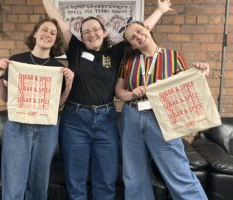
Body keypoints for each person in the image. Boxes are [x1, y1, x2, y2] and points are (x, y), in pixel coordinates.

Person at [42, 1, 172, 199]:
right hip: (75, 121)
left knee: (106, 179)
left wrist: (160, 11)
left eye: (96, 29)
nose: (91, 34)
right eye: (86, 32)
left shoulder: (116, 52)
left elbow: (142, 32)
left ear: (104, 31)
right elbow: (60, 21)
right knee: (76, 180)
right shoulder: (75, 49)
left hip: (106, 120)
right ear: (82, 36)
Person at [115, 20, 209, 200]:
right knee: (134, 175)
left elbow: (184, 86)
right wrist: (132, 94)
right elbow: (119, 91)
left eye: (139, 31)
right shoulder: (127, 61)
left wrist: (200, 73)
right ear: (131, 44)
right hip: (132, 115)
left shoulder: (173, 56)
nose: (138, 37)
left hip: (162, 116)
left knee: (177, 171)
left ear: (148, 29)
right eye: (132, 38)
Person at [0, 18, 74, 200]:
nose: (48, 35)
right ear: (35, 33)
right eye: (45, 30)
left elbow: (57, 105)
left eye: (53, 33)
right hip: (18, 125)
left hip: (46, 128)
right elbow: (6, 98)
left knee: (39, 181)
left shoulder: (58, 69)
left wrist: (68, 86)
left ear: (55, 41)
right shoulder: (16, 61)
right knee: (13, 181)